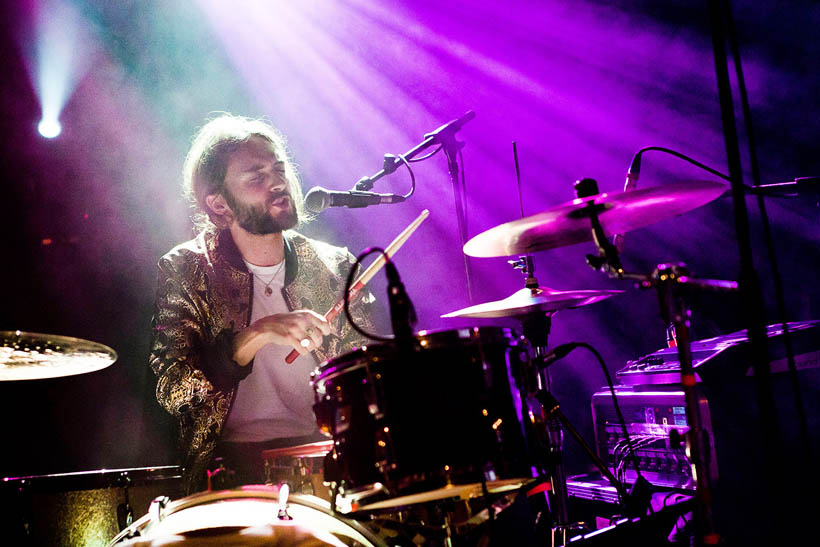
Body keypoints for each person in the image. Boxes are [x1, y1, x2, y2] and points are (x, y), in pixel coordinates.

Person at [149, 114, 375, 494]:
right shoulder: (187, 268)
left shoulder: (336, 266)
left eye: (279, 169)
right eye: (257, 177)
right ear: (220, 205)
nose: (278, 183)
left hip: (326, 461)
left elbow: (365, 381)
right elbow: (173, 391)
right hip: (228, 471)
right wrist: (255, 336)